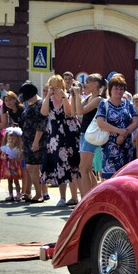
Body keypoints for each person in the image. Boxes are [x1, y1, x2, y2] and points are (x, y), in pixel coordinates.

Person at [39, 75, 81, 207]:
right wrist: (47, 96)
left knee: (72, 166)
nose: (55, 89)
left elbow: (69, 113)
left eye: (57, 86)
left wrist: (63, 97)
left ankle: (74, 197)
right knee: (59, 165)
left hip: (69, 134)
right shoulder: (49, 100)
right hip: (55, 136)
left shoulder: (67, 96)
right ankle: (62, 197)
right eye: (52, 86)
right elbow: (44, 113)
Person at [96, 73, 138, 179]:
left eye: (121, 89)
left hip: (126, 147)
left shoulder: (129, 104)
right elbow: (100, 122)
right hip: (109, 147)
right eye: (116, 88)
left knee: (125, 178)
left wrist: (124, 134)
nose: (119, 91)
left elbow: (135, 122)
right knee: (109, 179)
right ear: (110, 89)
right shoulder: (104, 104)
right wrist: (119, 131)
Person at [71, 73, 103, 199]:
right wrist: (74, 96)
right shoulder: (89, 97)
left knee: (83, 168)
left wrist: (78, 94)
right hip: (85, 134)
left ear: (95, 84)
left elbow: (80, 111)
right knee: (87, 169)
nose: (85, 84)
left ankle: (86, 199)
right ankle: (94, 196)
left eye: (88, 82)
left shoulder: (98, 99)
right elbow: (74, 112)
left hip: (91, 136)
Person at [18, 82, 47, 202]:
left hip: (36, 140)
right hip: (28, 140)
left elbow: (41, 125)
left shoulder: (39, 104)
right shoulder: (30, 104)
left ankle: (39, 194)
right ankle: (36, 193)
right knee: (31, 167)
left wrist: (36, 142)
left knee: (32, 167)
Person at [0, 126, 23, 201]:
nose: (11, 140)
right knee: (9, 181)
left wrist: (16, 159)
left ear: (16, 139)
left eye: (13, 139)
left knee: (16, 181)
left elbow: (20, 157)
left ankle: (18, 194)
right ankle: (10, 195)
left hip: (15, 167)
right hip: (8, 167)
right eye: (9, 139)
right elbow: (2, 156)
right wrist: (4, 157)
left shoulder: (17, 148)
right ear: (7, 139)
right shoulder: (5, 147)